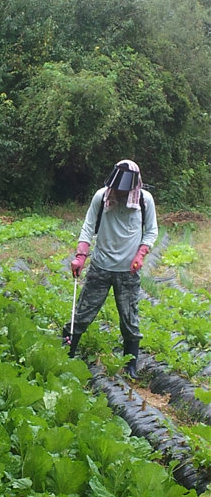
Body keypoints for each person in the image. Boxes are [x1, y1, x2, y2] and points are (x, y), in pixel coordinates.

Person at [63, 160, 158, 378]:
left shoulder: (145, 200)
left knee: (129, 319)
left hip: (128, 271)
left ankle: (130, 364)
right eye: (116, 188)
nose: (119, 193)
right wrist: (80, 256)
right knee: (83, 313)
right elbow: (88, 226)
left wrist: (140, 254)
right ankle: (67, 351)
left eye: (124, 190)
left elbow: (151, 231)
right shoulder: (102, 196)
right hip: (100, 267)